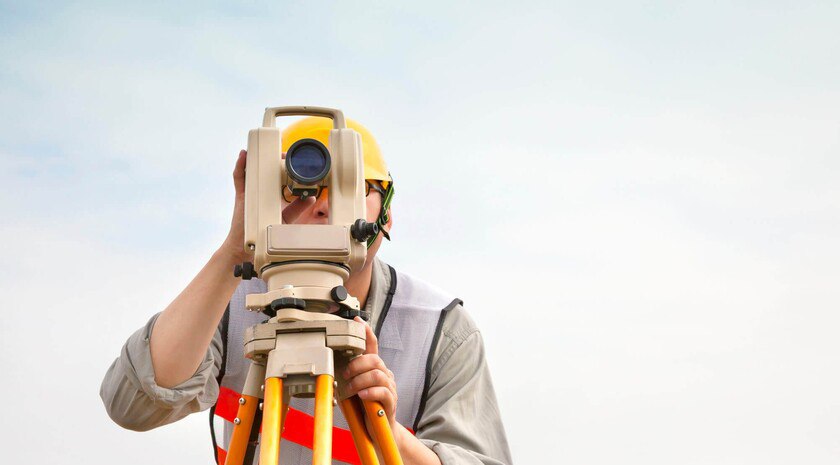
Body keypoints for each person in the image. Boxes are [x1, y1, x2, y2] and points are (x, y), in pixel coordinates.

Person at [100, 116, 512, 465]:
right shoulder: (232, 302)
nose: (322, 205)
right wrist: (236, 250)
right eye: (302, 188)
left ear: (387, 212)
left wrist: (392, 437)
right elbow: (132, 405)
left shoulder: (440, 328)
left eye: (351, 187)